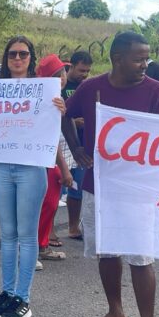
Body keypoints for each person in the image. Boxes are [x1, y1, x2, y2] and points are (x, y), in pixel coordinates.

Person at [61, 31, 159, 317]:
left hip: (137, 190)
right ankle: (115, 311)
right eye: (139, 58)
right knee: (106, 253)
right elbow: (65, 114)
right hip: (100, 186)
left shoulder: (156, 92)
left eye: (147, 58)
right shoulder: (91, 87)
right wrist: (77, 148)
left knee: (140, 259)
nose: (145, 64)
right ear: (117, 59)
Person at [0, 36, 66, 317]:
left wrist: (59, 111)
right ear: (6, 59)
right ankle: (7, 292)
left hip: (31, 169)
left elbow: (53, 129)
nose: (17, 59)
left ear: (31, 57)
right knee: (8, 235)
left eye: (23, 54)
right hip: (3, 168)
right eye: (12, 54)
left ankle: (24, 297)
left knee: (27, 235)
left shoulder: (45, 92)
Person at [35, 54, 74, 269]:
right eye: (62, 72)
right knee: (46, 204)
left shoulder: (55, 98)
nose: (65, 76)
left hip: (48, 158)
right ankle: (35, 247)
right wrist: (65, 168)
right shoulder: (49, 100)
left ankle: (41, 244)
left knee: (48, 204)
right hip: (44, 158)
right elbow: (51, 138)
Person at [62, 51, 93, 241]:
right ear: (71, 65)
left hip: (81, 145)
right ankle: (48, 232)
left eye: (88, 71)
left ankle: (73, 226)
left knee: (78, 188)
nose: (84, 74)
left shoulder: (87, 87)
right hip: (61, 143)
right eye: (81, 70)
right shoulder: (61, 84)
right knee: (56, 188)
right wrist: (74, 120)